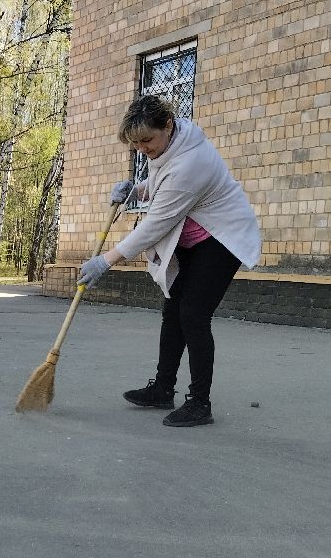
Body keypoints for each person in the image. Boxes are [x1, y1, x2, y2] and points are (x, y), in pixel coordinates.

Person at [77, 94, 261, 427]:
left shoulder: (192, 162)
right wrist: (135, 191)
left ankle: (200, 403)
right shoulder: (169, 144)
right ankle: (163, 388)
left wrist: (106, 261)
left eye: (146, 140)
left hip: (222, 239)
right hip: (192, 237)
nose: (142, 149)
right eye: (136, 144)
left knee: (193, 314)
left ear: (167, 125)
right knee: (172, 310)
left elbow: (155, 224)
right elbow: (160, 182)